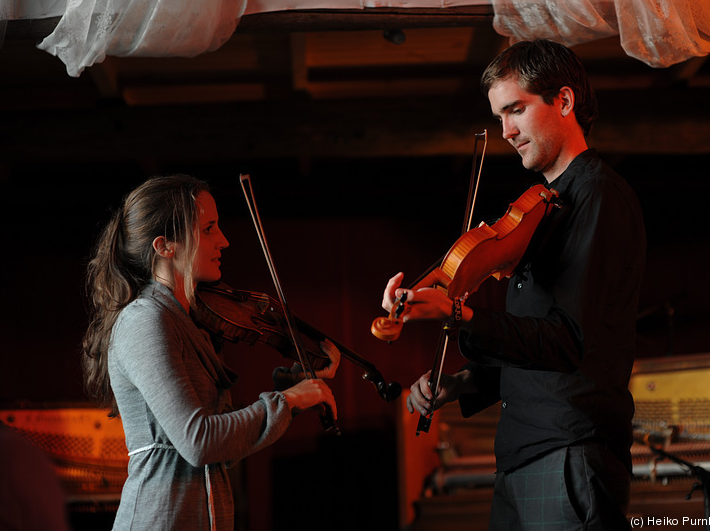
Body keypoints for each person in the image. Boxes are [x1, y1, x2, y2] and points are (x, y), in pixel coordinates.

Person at [382, 40, 646, 530]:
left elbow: (570, 343)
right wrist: (461, 383)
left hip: (569, 452)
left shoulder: (599, 198)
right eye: (499, 116)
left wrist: (459, 314)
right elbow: (532, 347)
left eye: (516, 110)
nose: (505, 131)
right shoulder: (544, 207)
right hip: (523, 455)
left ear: (564, 101)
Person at [83, 175, 340, 530]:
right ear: (165, 246)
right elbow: (199, 442)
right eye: (208, 229)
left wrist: (289, 396)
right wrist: (288, 402)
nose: (224, 240)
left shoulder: (185, 322)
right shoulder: (145, 321)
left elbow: (221, 447)